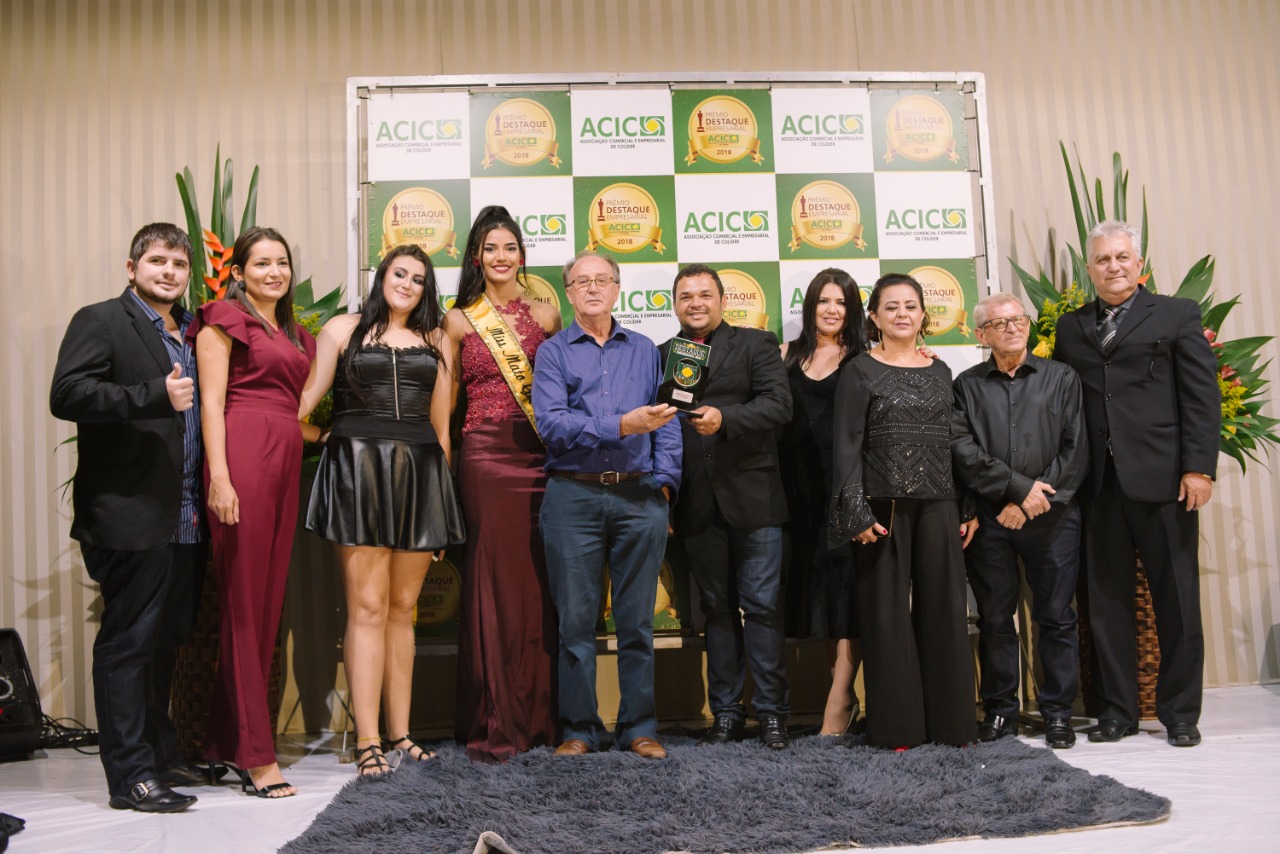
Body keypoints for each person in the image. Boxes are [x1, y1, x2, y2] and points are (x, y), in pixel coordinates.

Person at [50, 223, 207, 812]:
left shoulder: (190, 330)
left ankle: (161, 755)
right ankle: (131, 778)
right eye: (158, 261)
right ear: (132, 266)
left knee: (163, 644)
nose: (169, 272)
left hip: (185, 513)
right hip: (129, 512)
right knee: (128, 645)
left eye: (179, 264)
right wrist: (152, 395)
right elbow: (68, 394)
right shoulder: (101, 320)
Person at [1053, 220, 1220, 748]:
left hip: (1165, 480)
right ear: (1090, 269)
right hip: (1098, 485)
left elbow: (1202, 396)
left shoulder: (1176, 313)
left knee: (1177, 600)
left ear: (1139, 263)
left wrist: (1199, 467)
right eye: (1103, 259)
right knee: (1106, 604)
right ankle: (1117, 711)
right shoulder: (1071, 327)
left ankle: (1180, 714)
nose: (1114, 267)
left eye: (1122, 257)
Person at [300, 245, 465, 776]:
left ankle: (401, 735)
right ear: (381, 276)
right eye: (400, 273)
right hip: (358, 476)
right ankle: (367, 740)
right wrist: (321, 436)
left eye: (419, 279)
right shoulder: (341, 330)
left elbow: (441, 429)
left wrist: (442, 501)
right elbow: (301, 404)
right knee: (367, 609)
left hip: (421, 477)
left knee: (402, 610)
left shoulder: (437, 340)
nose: (408, 284)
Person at [533, 249, 682, 759]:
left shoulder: (645, 350)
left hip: (639, 496)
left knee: (637, 621)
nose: (593, 288)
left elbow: (669, 422)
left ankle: (639, 727)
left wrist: (665, 484)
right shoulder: (552, 353)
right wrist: (620, 425)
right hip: (572, 496)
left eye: (602, 280)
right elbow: (551, 424)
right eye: (582, 281)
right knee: (575, 623)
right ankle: (579, 729)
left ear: (618, 289)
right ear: (569, 293)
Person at [828, 273, 978, 751]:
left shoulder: (940, 370)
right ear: (873, 317)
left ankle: (954, 728)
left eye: (910, 306)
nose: (901, 314)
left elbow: (955, 443)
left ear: (923, 315)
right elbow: (846, 445)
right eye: (890, 307)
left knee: (945, 613)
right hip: (881, 509)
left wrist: (967, 505)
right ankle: (897, 730)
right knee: (886, 619)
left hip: (940, 505)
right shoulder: (858, 371)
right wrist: (854, 511)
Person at [190, 226, 316, 797]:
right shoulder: (223, 319)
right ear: (237, 272)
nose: (275, 272)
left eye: (282, 262)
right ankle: (256, 755)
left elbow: (295, 405)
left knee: (264, 606)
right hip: (242, 453)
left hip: (284, 459)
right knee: (243, 604)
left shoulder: (295, 333)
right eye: (262, 263)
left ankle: (222, 742)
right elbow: (211, 403)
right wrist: (220, 477)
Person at [445, 206, 562, 763]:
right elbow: (445, 405)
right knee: (491, 580)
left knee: (538, 581)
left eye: (509, 247)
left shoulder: (547, 315)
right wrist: (443, 469)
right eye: (490, 248)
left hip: (540, 457)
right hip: (485, 457)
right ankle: (495, 721)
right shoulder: (457, 321)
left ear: (522, 255)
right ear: (476, 256)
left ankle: (538, 718)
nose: (500, 257)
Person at [664, 264, 794, 750]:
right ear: (675, 304)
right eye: (686, 296)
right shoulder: (663, 354)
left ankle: (773, 713)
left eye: (705, 294)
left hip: (754, 497)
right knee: (716, 612)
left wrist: (726, 419)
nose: (695, 303)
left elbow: (779, 405)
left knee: (762, 608)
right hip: (696, 501)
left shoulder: (757, 343)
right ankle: (726, 714)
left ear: (722, 300)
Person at [952, 293, 1087, 749]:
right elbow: (963, 453)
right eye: (999, 323)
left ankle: (1058, 714)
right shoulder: (965, 386)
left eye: (1018, 320)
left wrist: (1028, 502)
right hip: (991, 521)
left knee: (1056, 617)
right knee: (994, 619)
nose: (1011, 328)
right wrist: (1014, 491)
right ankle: (1000, 713)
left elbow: (1075, 449)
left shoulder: (1062, 377)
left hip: (1053, 517)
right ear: (981, 334)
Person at [779, 269, 867, 737]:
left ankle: (840, 697)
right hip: (796, 491)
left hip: (846, 488)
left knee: (848, 591)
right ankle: (834, 690)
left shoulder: (866, 359)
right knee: (815, 593)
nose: (832, 310)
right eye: (824, 301)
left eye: (842, 302)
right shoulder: (785, 355)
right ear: (810, 304)